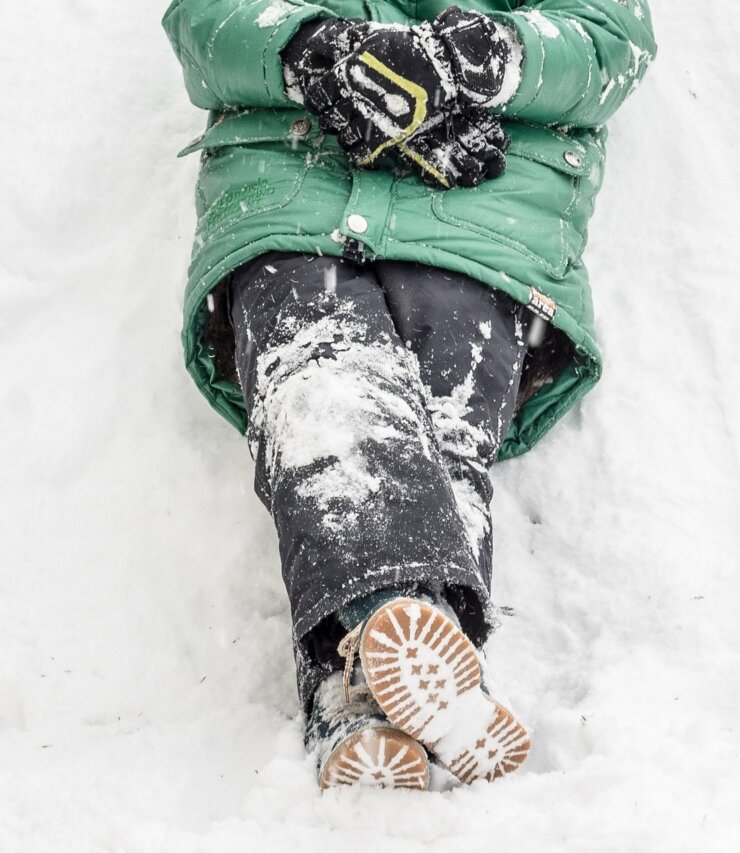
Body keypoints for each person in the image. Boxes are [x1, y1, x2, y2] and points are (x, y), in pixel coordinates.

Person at [161, 0, 655, 790]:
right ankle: (421, 657)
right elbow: (206, 23)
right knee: (325, 382)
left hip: (480, 223)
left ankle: (350, 694)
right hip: (296, 207)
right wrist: (313, 53)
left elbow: (608, 44)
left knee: (435, 422)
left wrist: (478, 59)